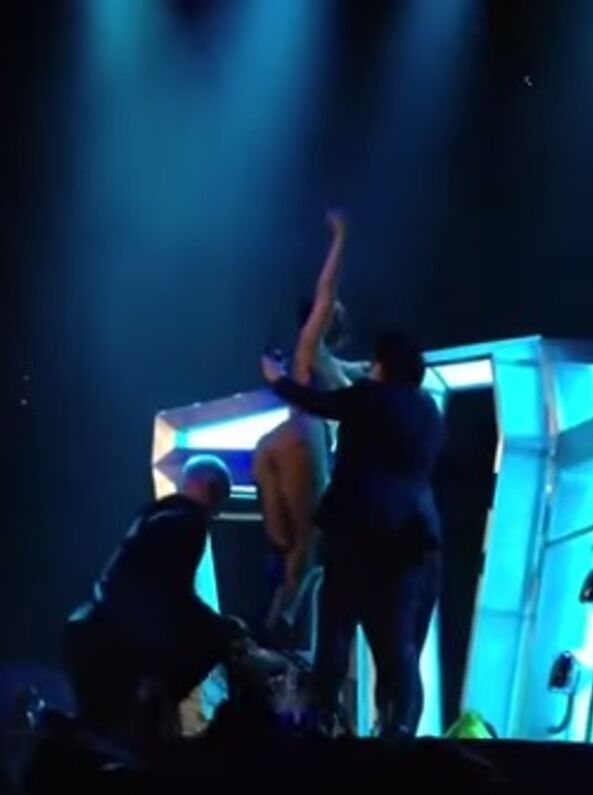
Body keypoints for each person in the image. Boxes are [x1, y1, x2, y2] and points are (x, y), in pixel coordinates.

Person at [262, 331, 444, 738]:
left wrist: (277, 379)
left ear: (383, 365)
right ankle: (398, 732)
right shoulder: (428, 411)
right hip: (414, 541)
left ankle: (325, 729)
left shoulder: (368, 398)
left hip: (360, 543)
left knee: (334, 639)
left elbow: (320, 402)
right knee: (400, 652)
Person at [62, 455, 264, 750]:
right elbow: (171, 596)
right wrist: (224, 628)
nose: (217, 513)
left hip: (92, 628)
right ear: (207, 487)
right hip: (116, 640)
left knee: (100, 736)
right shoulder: (188, 523)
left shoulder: (154, 516)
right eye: (220, 499)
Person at [252, 210, 365, 643]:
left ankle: (276, 624)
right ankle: (276, 630)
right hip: (303, 437)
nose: (338, 309)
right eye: (332, 308)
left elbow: (361, 374)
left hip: (283, 440)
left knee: (293, 552)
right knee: (307, 546)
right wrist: (341, 238)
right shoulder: (310, 347)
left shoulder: (327, 361)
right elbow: (326, 290)